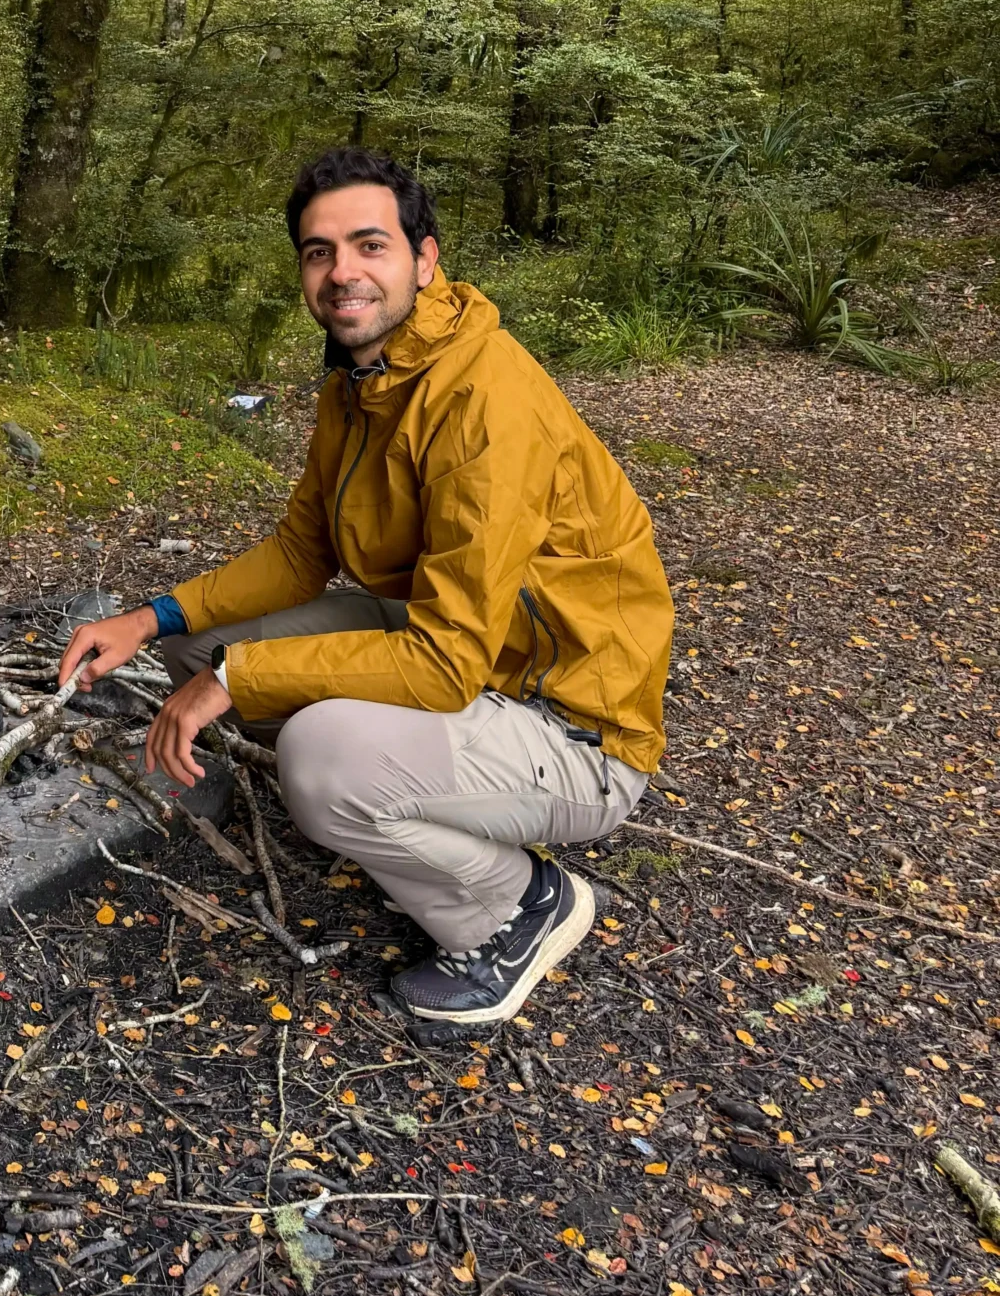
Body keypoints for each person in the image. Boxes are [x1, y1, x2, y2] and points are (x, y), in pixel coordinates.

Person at [58, 145, 673, 1029]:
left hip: (569, 720)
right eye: (319, 251)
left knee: (318, 755)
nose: (342, 271)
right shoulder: (364, 382)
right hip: (469, 648)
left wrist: (234, 683)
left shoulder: (484, 401)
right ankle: (403, 803)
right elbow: (302, 552)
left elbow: (445, 666)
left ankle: (516, 908)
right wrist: (150, 619)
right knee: (200, 644)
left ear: (426, 260)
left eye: (370, 245)